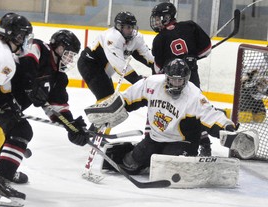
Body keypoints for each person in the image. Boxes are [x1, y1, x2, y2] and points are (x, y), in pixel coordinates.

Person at [0, 29, 89, 207]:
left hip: (12, 109)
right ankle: (2, 181)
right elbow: (27, 61)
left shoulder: (59, 77)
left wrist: (72, 126)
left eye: (71, 55)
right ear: (56, 45)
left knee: (12, 131)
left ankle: (4, 168)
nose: (68, 58)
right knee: (21, 131)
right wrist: (31, 83)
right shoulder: (39, 48)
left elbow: (57, 107)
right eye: (66, 52)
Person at [99, 59, 246, 174]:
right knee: (131, 163)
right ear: (166, 77)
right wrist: (111, 109)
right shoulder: (151, 83)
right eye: (173, 79)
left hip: (182, 142)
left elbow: (211, 115)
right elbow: (128, 98)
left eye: (180, 80)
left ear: (186, 80)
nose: (176, 84)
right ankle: (145, 158)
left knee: (169, 167)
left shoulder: (193, 95)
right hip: (155, 137)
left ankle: (178, 158)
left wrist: (227, 127)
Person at [0, 12, 33, 207]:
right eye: (25, 36)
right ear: (17, 37)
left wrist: (10, 105)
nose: (27, 41)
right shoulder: (5, 60)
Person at [149, 2, 212, 156]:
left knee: (173, 111)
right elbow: (206, 50)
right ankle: (204, 143)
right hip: (192, 79)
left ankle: (171, 142)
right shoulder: (190, 26)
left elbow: (158, 69)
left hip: (171, 83)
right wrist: (192, 57)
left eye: (159, 18)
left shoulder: (160, 38)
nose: (156, 22)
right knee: (195, 110)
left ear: (167, 17)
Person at [77, 11, 154, 135]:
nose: (131, 30)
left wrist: (159, 66)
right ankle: (99, 134)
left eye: (132, 27)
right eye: (128, 27)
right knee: (107, 101)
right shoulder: (112, 37)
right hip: (89, 64)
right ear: (119, 27)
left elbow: (146, 54)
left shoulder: (136, 37)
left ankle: (94, 132)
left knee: (110, 102)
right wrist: (138, 81)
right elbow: (119, 65)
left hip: (103, 70)